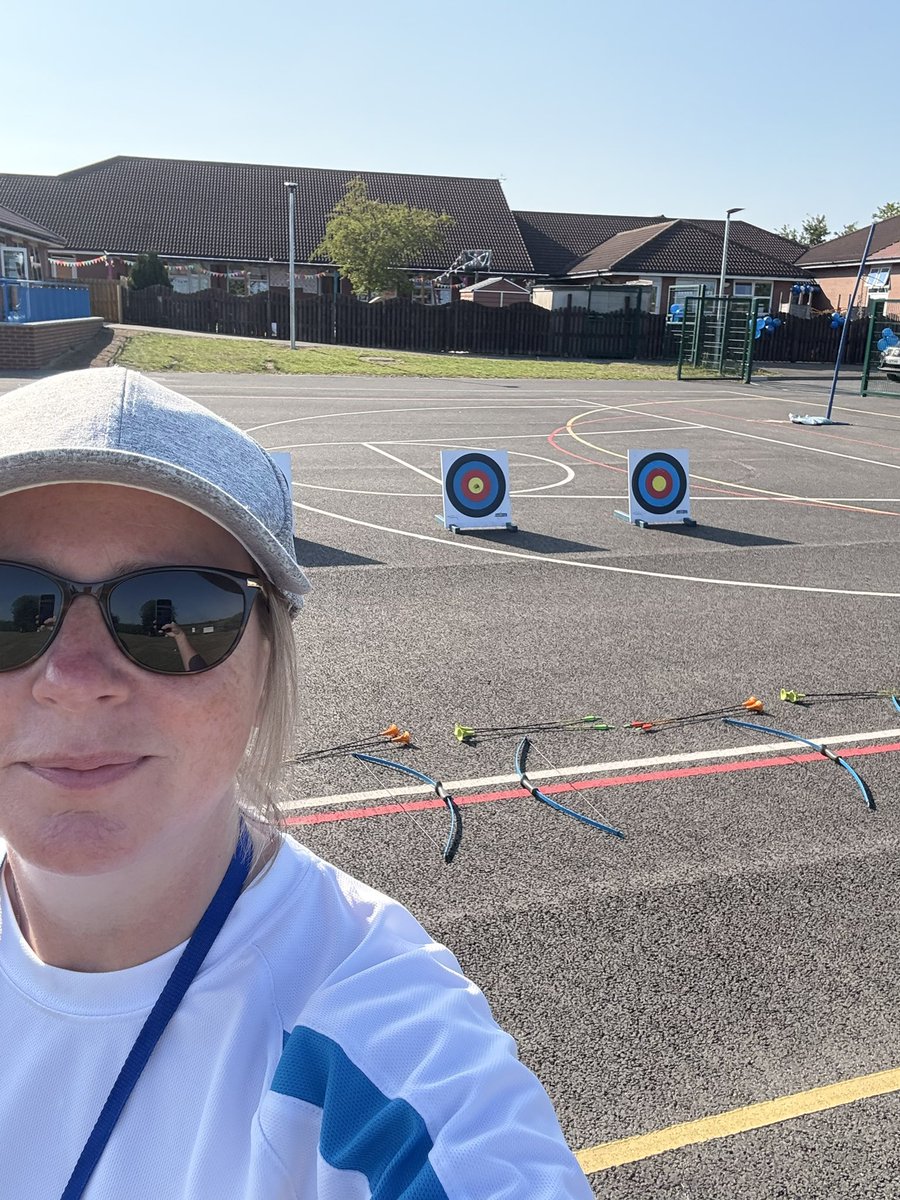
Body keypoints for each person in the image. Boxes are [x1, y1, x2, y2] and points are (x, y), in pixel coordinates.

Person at [0, 367, 593, 1199]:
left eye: (169, 612)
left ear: (266, 661)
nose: (73, 677)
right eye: (8, 604)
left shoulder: (373, 1040)